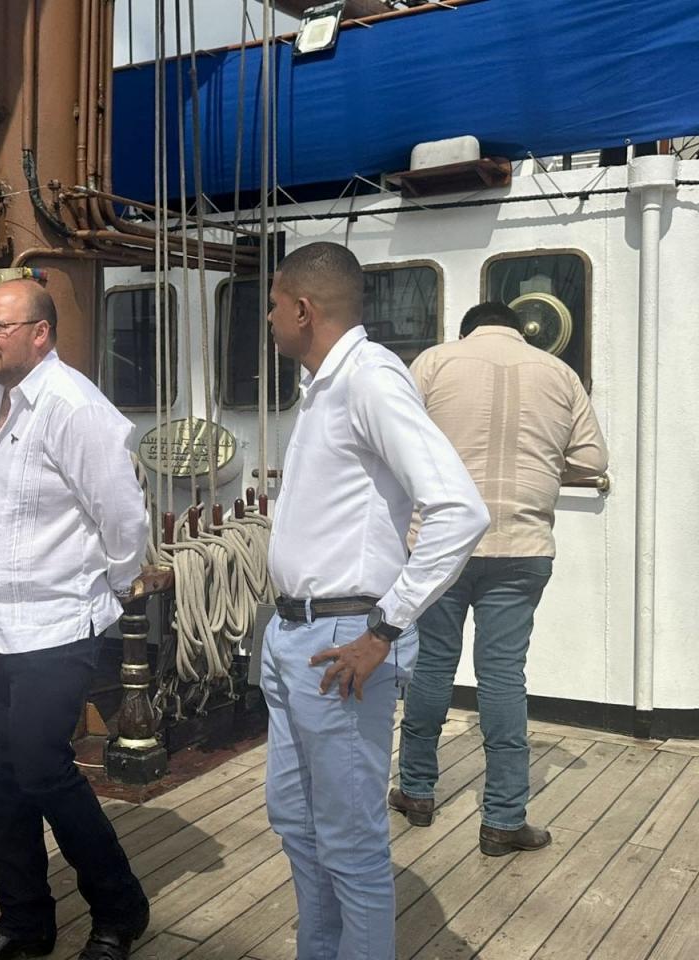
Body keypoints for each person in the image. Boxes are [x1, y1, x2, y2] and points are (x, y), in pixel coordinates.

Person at [262, 242, 488, 960]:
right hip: (293, 636)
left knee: (350, 841)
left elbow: (459, 509)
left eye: (273, 305)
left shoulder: (370, 380)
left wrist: (385, 628)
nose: (268, 318)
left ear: (303, 309)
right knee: (296, 821)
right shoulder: (323, 387)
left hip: (342, 643)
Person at [0, 279, 150, 960]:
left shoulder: (74, 408)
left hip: (57, 621)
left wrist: (113, 585)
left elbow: (123, 516)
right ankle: (25, 921)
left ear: (41, 334)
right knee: (0, 767)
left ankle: (119, 910)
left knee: (41, 766)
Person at [391, 301, 608, 855]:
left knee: (432, 664)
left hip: (442, 544)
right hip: (522, 544)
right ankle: (504, 820)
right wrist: (542, 465)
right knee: (504, 675)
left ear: (466, 331)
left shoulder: (435, 362)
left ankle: (416, 792)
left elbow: (397, 443)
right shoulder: (560, 373)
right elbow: (591, 459)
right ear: (519, 331)